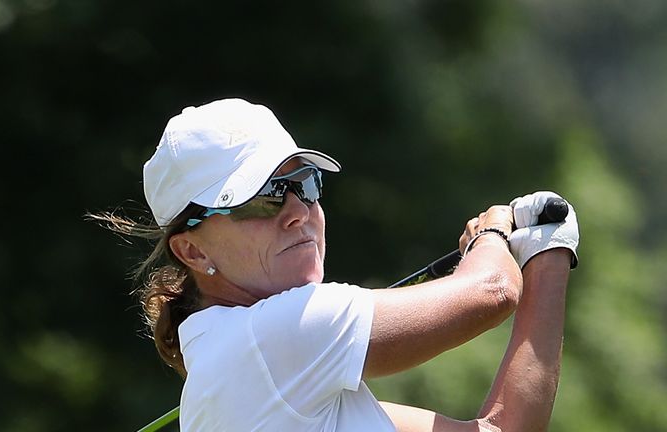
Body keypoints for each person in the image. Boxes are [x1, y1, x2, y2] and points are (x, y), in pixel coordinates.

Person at [97, 98, 579, 431]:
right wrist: (492, 235)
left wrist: (548, 257)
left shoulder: (270, 367)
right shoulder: (280, 336)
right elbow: (492, 291)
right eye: (263, 199)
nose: (296, 212)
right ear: (193, 251)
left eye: (304, 184)